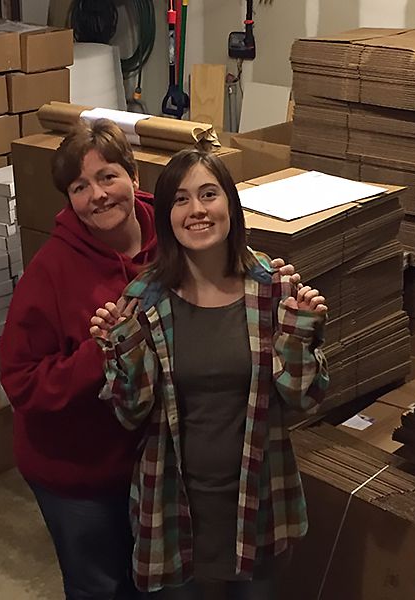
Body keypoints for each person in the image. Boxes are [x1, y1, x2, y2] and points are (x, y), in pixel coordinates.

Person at [0, 120, 299, 600]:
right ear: (68, 199)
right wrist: (107, 350)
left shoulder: (173, 237)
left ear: (133, 177)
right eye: (80, 186)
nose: (98, 194)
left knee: (149, 585)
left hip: (152, 465)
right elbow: (20, 381)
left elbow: (224, 263)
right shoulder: (51, 271)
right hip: (78, 468)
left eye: (108, 176)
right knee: (101, 585)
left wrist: (269, 282)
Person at [90, 148, 329, 599]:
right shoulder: (141, 300)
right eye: (181, 200)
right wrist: (124, 346)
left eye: (208, 194)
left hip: (260, 500)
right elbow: (129, 413)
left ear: (230, 207)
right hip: (173, 506)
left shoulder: (275, 289)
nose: (197, 210)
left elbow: (305, 397)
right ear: (166, 217)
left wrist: (299, 332)